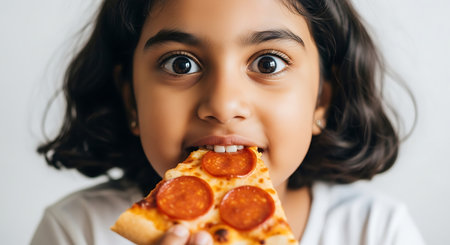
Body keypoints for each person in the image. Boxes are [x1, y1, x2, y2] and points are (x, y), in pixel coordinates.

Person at [31, 0, 426, 244]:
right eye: (180, 63)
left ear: (321, 100)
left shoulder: (377, 231)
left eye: (267, 63)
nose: (223, 104)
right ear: (131, 99)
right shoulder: (76, 232)